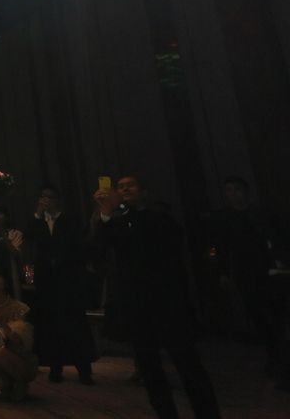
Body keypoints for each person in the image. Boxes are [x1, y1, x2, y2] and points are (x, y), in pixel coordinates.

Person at [93, 174, 221, 418]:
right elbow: (101, 247)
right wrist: (107, 213)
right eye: (120, 187)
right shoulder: (118, 222)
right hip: (137, 306)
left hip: (167, 303)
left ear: (144, 191)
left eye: (130, 185)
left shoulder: (160, 219)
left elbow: (152, 245)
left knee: (187, 363)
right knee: (149, 366)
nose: (124, 189)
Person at [208, 176, 285, 377]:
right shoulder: (224, 218)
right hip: (246, 272)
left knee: (275, 313)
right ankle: (275, 354)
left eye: (236, 190)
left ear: (245, 192)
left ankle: (280, 355)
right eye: (229, 191)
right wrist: (223, 272)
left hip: (268, 269)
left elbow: (276, 238)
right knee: (259, 314)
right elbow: (221, 247)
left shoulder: (260, 214)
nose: (232, 195)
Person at [26, 185, 96, 385]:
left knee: (75, 324)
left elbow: (77, 245)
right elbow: (29, 237)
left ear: (57, 200)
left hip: (68, 280)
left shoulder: (70, 220)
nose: (45, 201)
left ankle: (84, 369)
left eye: (49, 197)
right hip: (47, 282)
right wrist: (38, 215)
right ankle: (55, 367)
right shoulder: (39, 222)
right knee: (50, 325)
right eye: (42, 197)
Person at [0, 267, 39, 401]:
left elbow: (22, 343)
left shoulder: (19, 308)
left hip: (21, 359)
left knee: (0, 352)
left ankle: (21, 383)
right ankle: (7, 382)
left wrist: (4, 326)